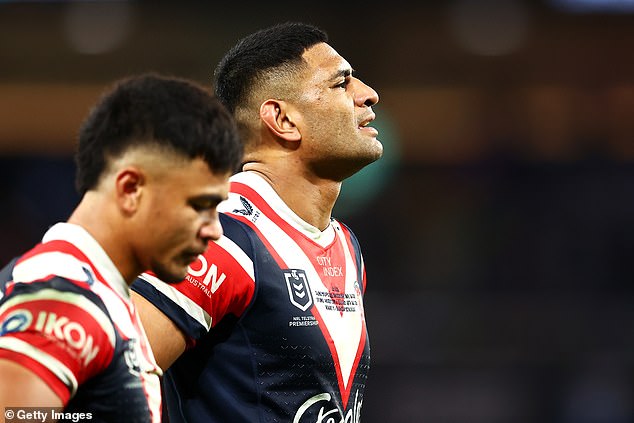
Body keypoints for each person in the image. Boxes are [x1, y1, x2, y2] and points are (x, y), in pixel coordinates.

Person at [131, 22, 382, 422]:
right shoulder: (220, 235)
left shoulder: (345, 246)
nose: (369, 95)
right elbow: (101, 377)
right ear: (282, 119)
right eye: (341, 84)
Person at [0, 73, 242, 422]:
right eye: (200, 205)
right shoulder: (63, 294)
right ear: (130, 189)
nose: (214, 230)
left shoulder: (101, 295)